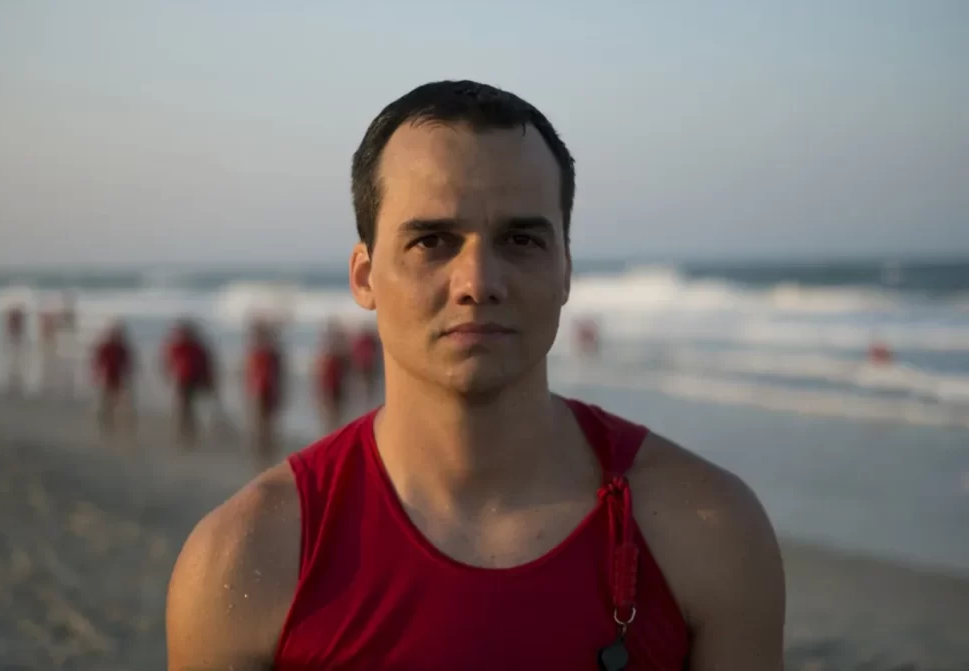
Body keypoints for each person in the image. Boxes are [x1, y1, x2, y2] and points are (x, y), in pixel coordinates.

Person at [167, 80, 784, 670]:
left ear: (565, 269)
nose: (478, 283)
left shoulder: (706, 527)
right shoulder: (248, 556)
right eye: (432, 241)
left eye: (520, 240)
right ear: (364, 278)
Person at [162, 319, 214, 448]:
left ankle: (187, 433)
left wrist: (208, 381)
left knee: (187, 408)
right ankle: (184, 434)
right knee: (184, 408)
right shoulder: (179, 346)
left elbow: (205, 365)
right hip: (181, 380)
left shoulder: (195, 348)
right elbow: (168, 362)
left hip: (192, 381)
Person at [244, 318, 285, 468]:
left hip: (268, 389)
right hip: (259, 390)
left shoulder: (271, 354)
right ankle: (262, 449)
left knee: (267, 422)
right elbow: (249, 373)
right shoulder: (258, 353)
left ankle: (266, 448)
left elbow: (279, 375)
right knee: (261, 421)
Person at [91, 321, 135, 439]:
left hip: (118, 378)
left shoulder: (122, 348)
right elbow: (97, 361)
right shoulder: (105, 347)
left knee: (121, 404)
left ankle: (120, 427)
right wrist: (96, 375)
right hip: (106, 378)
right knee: (105, 404)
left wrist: (128, 375)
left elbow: (128, 363)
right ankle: (106, 426)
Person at [313, 318, 349, 433]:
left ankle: (332, 432)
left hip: (334, 387)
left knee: (333, 414)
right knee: (331, 414)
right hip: (330, 387)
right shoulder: (331, 355)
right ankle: (331, 432)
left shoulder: (333, 355)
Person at [350, 322, 381, 401]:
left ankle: (368, 394)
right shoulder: (366, 341)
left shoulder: (362, 341)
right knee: (367, 380)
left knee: (367, 379)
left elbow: (356, 352)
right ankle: (368, 394)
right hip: (367, 363)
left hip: (366, 363)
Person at [5, 303, 26, 394]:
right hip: (15, 331)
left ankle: (15, 365)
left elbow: (18, 325)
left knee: (16, 347)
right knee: (15, 347)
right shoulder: (14, 315)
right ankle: (14, 365)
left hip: (16, 332)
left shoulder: (16, 315)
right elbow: (10, 324)